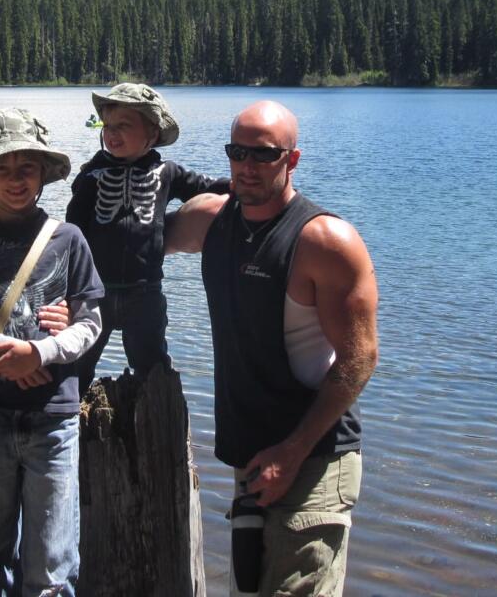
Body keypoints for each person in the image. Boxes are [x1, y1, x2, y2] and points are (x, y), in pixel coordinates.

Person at [166, 100, 379, 597]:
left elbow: (360, 359)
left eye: (263, 155)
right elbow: (128, 250)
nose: (247, 166)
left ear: (293, 159)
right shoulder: (211, 221)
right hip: (252, 458)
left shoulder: (324, 241)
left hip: (314, 456)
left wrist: (293, 450)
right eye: (237, 152)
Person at [0, 108, 104, 597]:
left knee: (52, 563)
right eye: (3, 170)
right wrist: (2, 355)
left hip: (54, 421)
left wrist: (43, 353)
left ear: (43, 172)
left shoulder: (68, 239)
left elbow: (91, 322)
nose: (16, 180)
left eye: (26, 168)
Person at [67, 83, 227, 392]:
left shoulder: (166, 171)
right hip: (94, 292)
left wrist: (240, 188)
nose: (112, 134)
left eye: (124, 126)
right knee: (77, 365)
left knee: (153, 367)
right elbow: (73, 228)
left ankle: (161, 425)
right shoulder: (91, 174)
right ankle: (68, 422)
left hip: (145, 292)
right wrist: (70, 286)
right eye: (109, 126)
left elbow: (205, 186)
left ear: (151, 134)